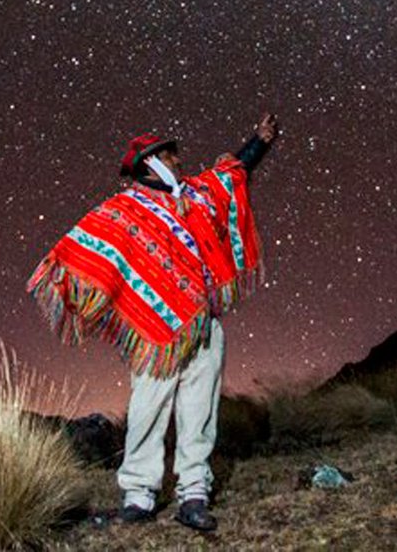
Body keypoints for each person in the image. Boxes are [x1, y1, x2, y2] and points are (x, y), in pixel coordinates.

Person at [28, 114, 279, 532]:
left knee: (200, 409)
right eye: (170, 155)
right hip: (154, 332)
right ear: (151, 162)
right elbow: (89, 245)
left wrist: (259, 142)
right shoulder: (124, 210)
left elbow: (229, 175)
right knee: (148, 409)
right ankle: (139, 495)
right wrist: (64, 272)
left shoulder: (196, 196)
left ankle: (193, 492)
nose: (179, 160)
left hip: (204, 323)